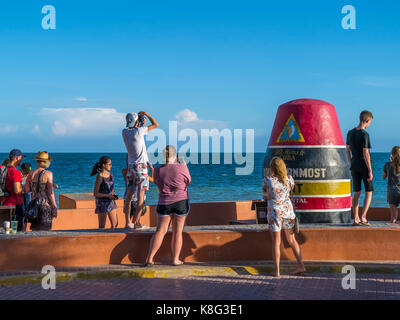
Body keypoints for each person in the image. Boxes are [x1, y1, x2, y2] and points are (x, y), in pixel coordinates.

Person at [145, 145, 191, 266]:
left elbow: (156, 181)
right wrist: (184, 165)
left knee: (160, 231)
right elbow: (189, 181)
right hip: (181, 201)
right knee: (177, 232)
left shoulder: (158, 169)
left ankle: (150, 258)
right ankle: (175, 259)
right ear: (175, 156)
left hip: (164, 202)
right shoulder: (181, 167)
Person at [263, 157, 306, 277]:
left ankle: (277, 271)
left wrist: (269, 197)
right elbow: (289, 191)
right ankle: (301, 266)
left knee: (276, 242)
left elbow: (266, 194)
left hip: (275, 214)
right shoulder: (289, 179)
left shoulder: (268, 180)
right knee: (292, 240)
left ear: (272, 168)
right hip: (288, 212)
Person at [122, 111, 158, 229]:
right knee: (141, 195)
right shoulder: (139, 131)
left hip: (131, 167)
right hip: (141, 167)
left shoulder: (124, 132)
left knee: (129, 196)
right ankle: (137, 223)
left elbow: (137, 132)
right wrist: (147, 114)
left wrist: (140, 123)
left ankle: (128, 222)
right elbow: (156, 124)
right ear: (136, 121)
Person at [346, 110, 374, 226]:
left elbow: (347, 150)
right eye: (370, 123)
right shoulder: (364, 134)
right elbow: (366, 153)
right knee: (369, 191)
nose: (369, 125)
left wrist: (351, 164)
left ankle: (355, 218)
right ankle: (363, 217)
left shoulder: (350, 133)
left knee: (356, 192)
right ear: (367, 120)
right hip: (363, 165)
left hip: (354, 165)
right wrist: (370, 170)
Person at [24, 151, 58, 231]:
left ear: (37, 161)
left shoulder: (31, 173)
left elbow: (26, 190)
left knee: (35, 231)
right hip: (45, 206)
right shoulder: (48, 174)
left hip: (34, 206)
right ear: (46, 162)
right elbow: (50, 193)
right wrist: (54, 207)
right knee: (45, 232)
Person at [1, 149, 25, 231]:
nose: (21, 160)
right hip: (15, 204)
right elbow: (17, 190)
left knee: (5, 228)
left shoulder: (2, 168)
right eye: (21, 158)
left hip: (4, 203)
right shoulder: (15, 172)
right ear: (17, 158)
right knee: (16, 230)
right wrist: (26, 190)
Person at [91, 156, 118, 229]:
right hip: (102, 203)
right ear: (103, 165)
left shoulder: (111, 175)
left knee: (115, 225)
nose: (111, 166)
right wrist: (108, 196)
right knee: (102, 227)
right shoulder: (99, 177)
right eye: (109, 164)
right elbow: (95, 193)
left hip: (111, 202)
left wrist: (113, 194)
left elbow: (111, 189)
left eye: (111, 164)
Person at [383, 146, 400, 224]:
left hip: (391, 190)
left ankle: (393, 221)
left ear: (392, 154)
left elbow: (383, 177)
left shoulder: (388, 164)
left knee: (393, 208)